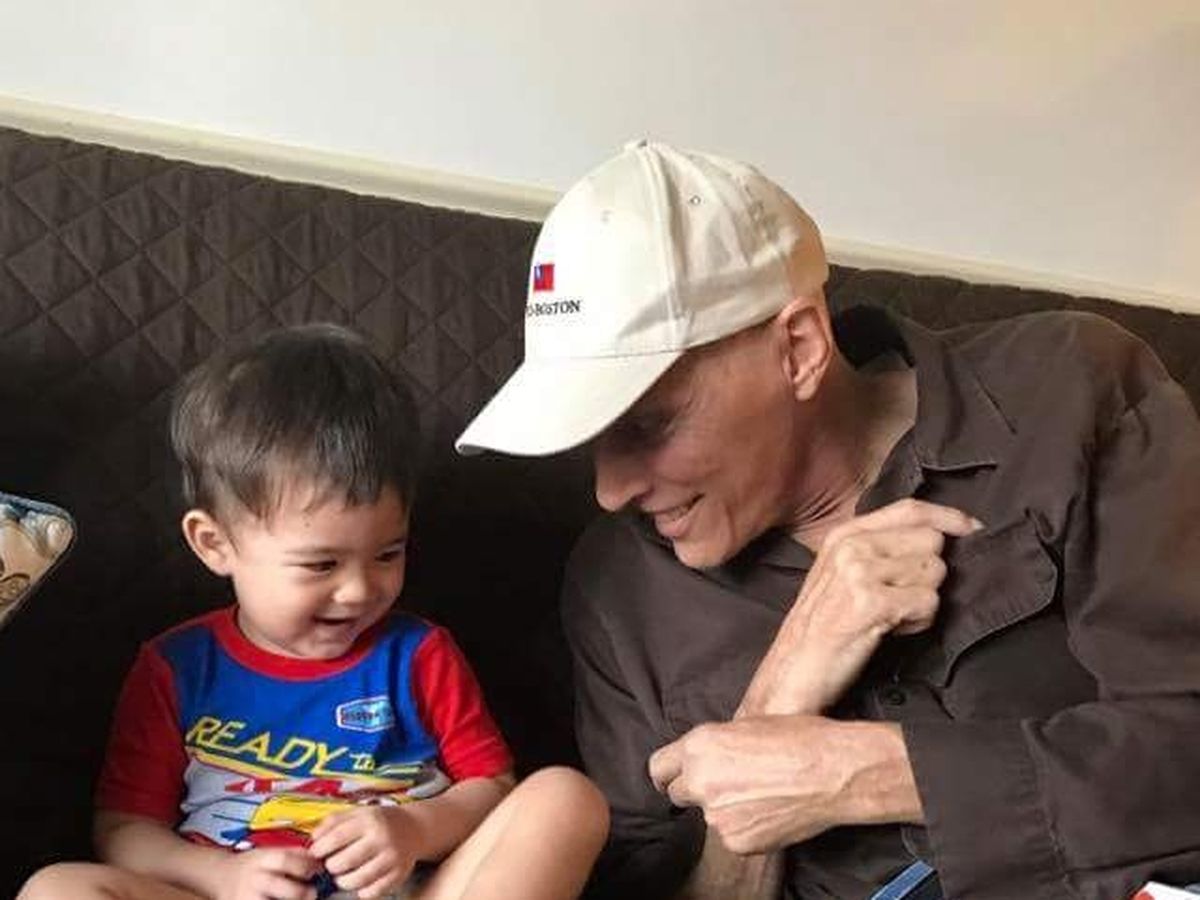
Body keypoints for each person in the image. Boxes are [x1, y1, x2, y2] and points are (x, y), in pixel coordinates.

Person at [454, 141, 1200, 899]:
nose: (610, 490)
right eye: (591, 438)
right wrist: (778, 695)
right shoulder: (618, 588)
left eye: (648, 425)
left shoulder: (1069, 388)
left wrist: (868, 775)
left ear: (799, 348)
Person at [18, 324, 608, 900]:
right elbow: (125, 831)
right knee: (56, 889)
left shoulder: (419, 654)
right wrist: (219, 877)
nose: (359, 591)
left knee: (566, 798)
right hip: (231, 890)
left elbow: (492, 788)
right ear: (214, 544)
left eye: (388, 553)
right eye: (321, 564)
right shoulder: (175, 667)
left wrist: (414, 828)